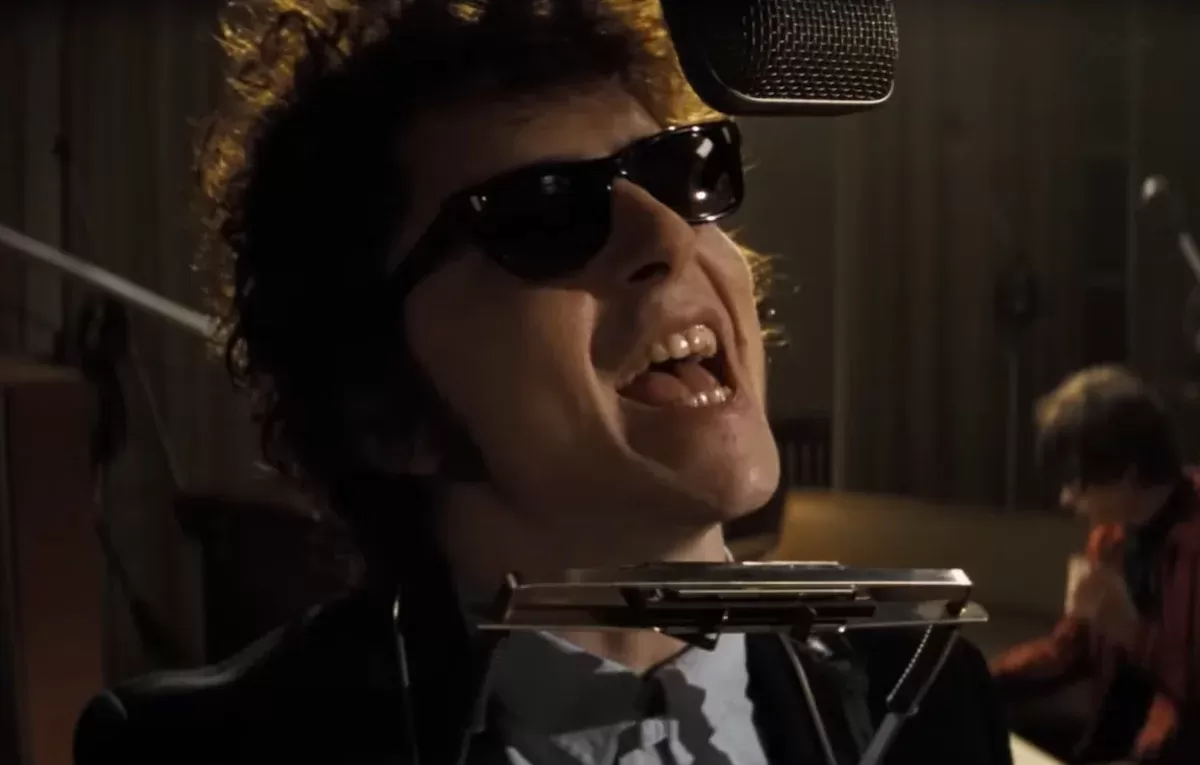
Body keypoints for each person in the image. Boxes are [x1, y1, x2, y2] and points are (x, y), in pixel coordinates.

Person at [73, 1, 1011, 763]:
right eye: (548, 212)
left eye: (680, 172)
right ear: (385, 411)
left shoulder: (929, 700)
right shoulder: (198, 749)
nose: (668, 236)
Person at [991, 365, 1200, 764]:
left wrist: (1132, 632)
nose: (1066, 499)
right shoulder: (1111, 536)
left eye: (1076, 481)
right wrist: (975, 679)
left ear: (1126, 473)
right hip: (1112, 741)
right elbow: (1068, 651)